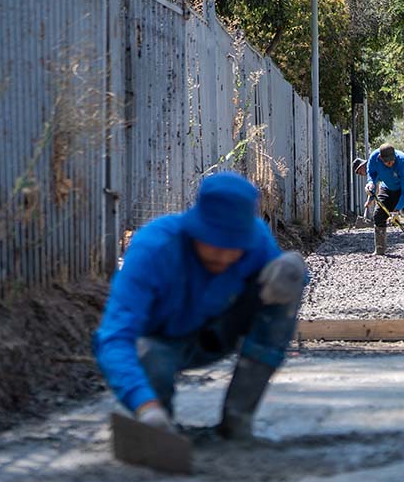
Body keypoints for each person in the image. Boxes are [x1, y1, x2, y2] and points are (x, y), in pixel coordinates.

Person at [93, 172, 307, 440]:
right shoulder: (154, 248)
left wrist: (297, 268)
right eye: (214, 243)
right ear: (196, 228)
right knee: (147, 355)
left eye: (234, 247)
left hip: (217, 335)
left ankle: (236, 425)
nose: (224, 255)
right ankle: (158, 429)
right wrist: (144, 406)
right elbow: (114, 336)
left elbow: (287, 282)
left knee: (287, 275)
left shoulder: (256, 241)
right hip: (158, 345)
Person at [366, 143, 404, 258]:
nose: (391, 163)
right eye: (387, 162)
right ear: (380, 158)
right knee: (378, 215)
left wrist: (396, 210)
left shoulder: (403, 162)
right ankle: (380, 249)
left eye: (392, 161)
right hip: (387, 187)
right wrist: (371, 184)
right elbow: (372, 174)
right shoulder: (374, 158)